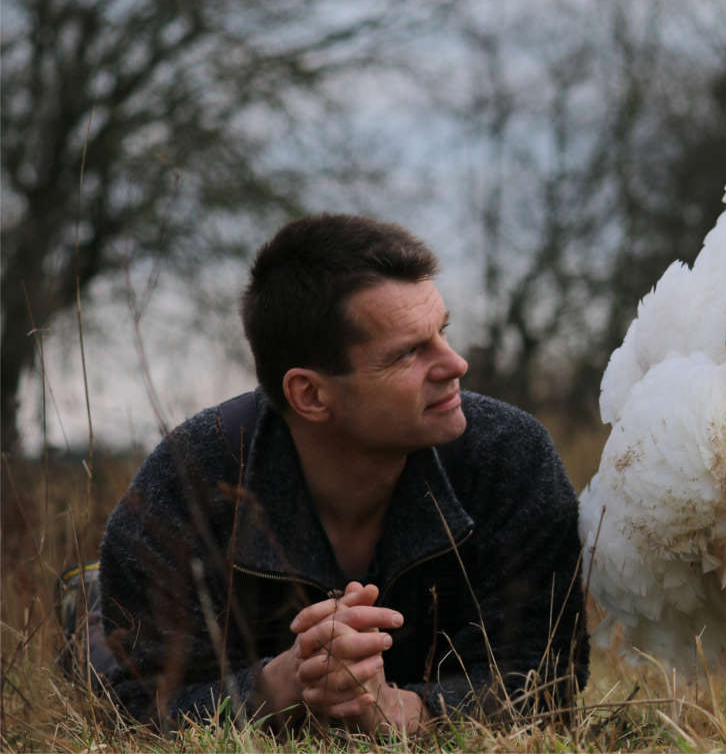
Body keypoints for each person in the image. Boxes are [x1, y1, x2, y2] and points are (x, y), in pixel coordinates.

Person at [98, 214, 589, 733]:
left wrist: (403, 710)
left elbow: (548, 683)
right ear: (310, 394)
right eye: (408, 353)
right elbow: (134, 707)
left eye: (442, 332)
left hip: (416, 692)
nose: (456, 364)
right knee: (93, 646)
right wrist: (279, 684)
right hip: (199, 640)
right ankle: (84, 603)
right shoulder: (188, 480)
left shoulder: (509, 458)